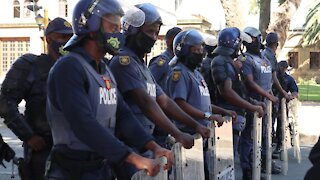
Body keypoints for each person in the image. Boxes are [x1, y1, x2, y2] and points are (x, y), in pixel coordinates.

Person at [45, 0, 173, 179]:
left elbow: (123, 115)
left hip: (101, 169)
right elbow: (84, 124)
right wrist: (134, 158)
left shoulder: (104, 69)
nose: (118, 33)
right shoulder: (69, 68)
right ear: (90, 27)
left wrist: (152, 146)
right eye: (112, 27)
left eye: (119, 28)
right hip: (71, 171)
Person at [109, 3, 210, 179]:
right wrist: (178, 133)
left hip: (145, 145)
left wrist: (196, 125)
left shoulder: (140, 65)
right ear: (133, 30)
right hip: (129, 147)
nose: (154, 37)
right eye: (150, 32)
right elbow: (146, 102)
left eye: (156, 33)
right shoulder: (122, 62)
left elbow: (164, 100)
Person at [0, 17, 73, 180]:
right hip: (42, 150)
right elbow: (5, 102)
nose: (66, 42)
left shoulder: (77, 66)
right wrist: (28, 135)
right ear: (48, 39)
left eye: (69, 37)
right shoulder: (30, 66)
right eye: (62, 37)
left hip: (73, 151)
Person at [166, 29, 234, 179]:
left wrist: (223, 111)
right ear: (184, 51)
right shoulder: (179, 73)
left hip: (200, 136)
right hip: (187, 134)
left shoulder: (196, 73)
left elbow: (204, 102)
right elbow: (180, 104)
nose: (200, 53)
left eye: (201, 49)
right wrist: (208, 116)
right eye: (195, 50)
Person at [210, 27, 264, 159]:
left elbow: (238, 90)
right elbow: (226, 92)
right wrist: (251, 107)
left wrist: (253, 102)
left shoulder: (228, 62)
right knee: (224, 162)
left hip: (233, 118)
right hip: (226, 118)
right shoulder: (220, 61)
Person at [239, 26, 280, 179]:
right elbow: (250, 83)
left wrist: (269, 95)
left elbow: (268, 80)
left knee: (262, 136)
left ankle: (258, 166)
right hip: (252, 102)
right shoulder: (245, 59)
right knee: (249, 138)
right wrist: (269, 96)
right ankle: (247, 170)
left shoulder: (263, 59)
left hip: (264, 103)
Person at [148, 27, 182, 147]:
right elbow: (149, 84)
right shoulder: (162, 62)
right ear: (170, 41)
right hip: (160, 116)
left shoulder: (177, 63)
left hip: (171, 117)